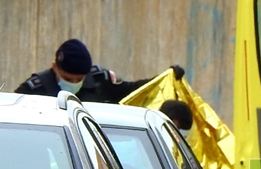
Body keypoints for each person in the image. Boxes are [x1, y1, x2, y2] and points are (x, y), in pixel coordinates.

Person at [15, 39, 184, 104]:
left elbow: (134, 91)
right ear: (54, 67)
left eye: (78, 79)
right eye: (67, 79)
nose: (73, 84)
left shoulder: (99, 81)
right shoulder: (32, 91)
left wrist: (165, 76)